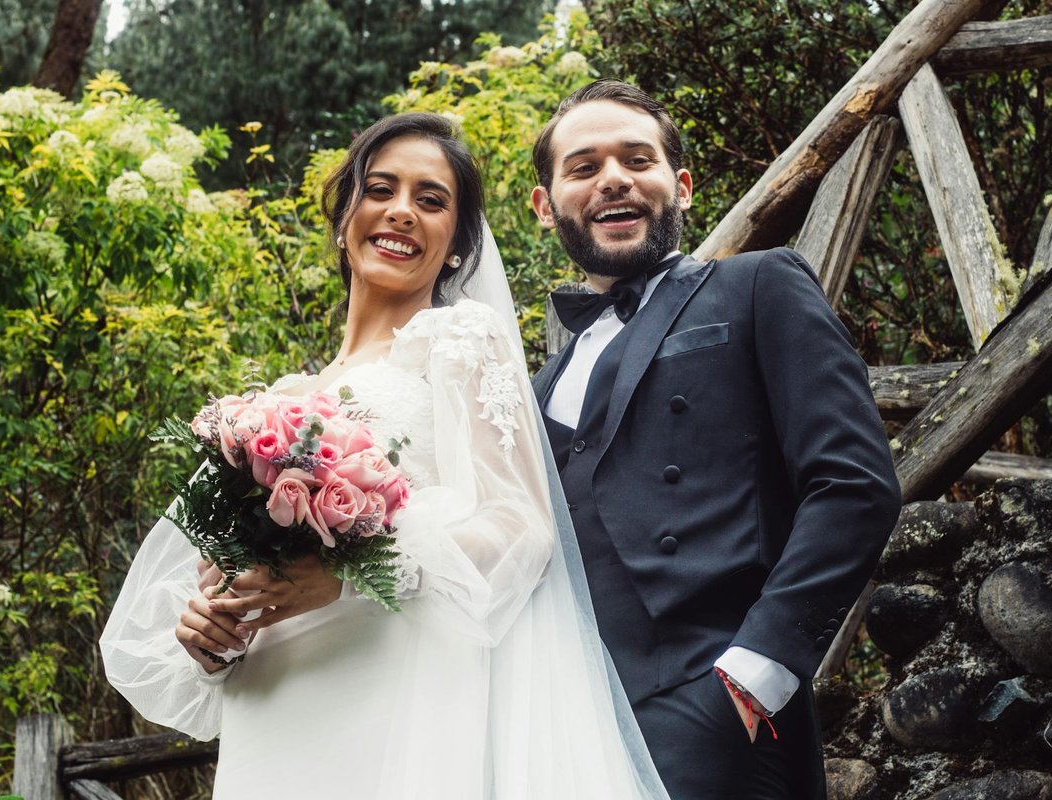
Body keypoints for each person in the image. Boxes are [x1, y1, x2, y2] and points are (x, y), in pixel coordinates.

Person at [101, 112, 670, 799]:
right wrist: (212, 628)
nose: (402, 211)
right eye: (379, 190)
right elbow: (222, 571)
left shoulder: (461, 341)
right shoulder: (277, 406)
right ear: (345, 219)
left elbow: (520, 527)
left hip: (398, 706)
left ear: (457, 246)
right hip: (273, 710)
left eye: (431, 200)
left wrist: (344, 578)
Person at [530, 80, 902, 799]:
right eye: (584, 167)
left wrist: (758, 670)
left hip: (717, 706)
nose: (614, 178)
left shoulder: (759, 286)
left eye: (638, 159)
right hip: (572, 725)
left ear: (682, 186)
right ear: (547, 207)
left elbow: (853, 484)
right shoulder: (536, 386)